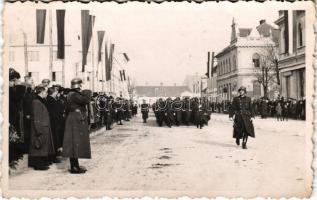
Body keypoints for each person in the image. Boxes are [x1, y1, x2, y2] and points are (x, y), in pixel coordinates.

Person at [62, 78, 92, 174]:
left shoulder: (72, 94)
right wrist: (87, 90)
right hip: (75, 120)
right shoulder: (73, 94)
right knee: (74, 143)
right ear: (78, 85)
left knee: (75, 143)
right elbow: (86, 100)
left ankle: (75, 165)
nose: (81, 87)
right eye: (80, 85)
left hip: (74, 119)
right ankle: (74, 167)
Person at [29, 84, 55, 170]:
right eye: (46, 92)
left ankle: (41, 163)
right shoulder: (36, 102)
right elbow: (36, 117)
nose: (47, 94)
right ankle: (38, 165)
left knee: (41, 146)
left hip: (43, 127)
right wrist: (38, 129)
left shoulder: (39, 101)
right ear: (42, 92)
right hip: (40, 128)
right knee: (38, 146)